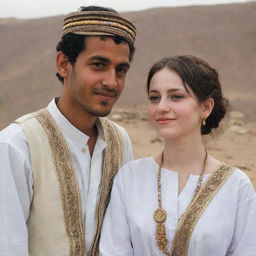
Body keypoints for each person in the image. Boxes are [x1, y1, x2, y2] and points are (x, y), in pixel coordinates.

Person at [0, 5, 136, 256]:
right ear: (64, 64)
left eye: (121, 70)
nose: (111, 81)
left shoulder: (120, 141)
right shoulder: (17, 145)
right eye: (98, 65)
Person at [99, 55, 256, 255]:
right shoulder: (130, 178)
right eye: (155, 98)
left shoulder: (235, 186)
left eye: (176, 96)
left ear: (206, 107)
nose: (161, 107)